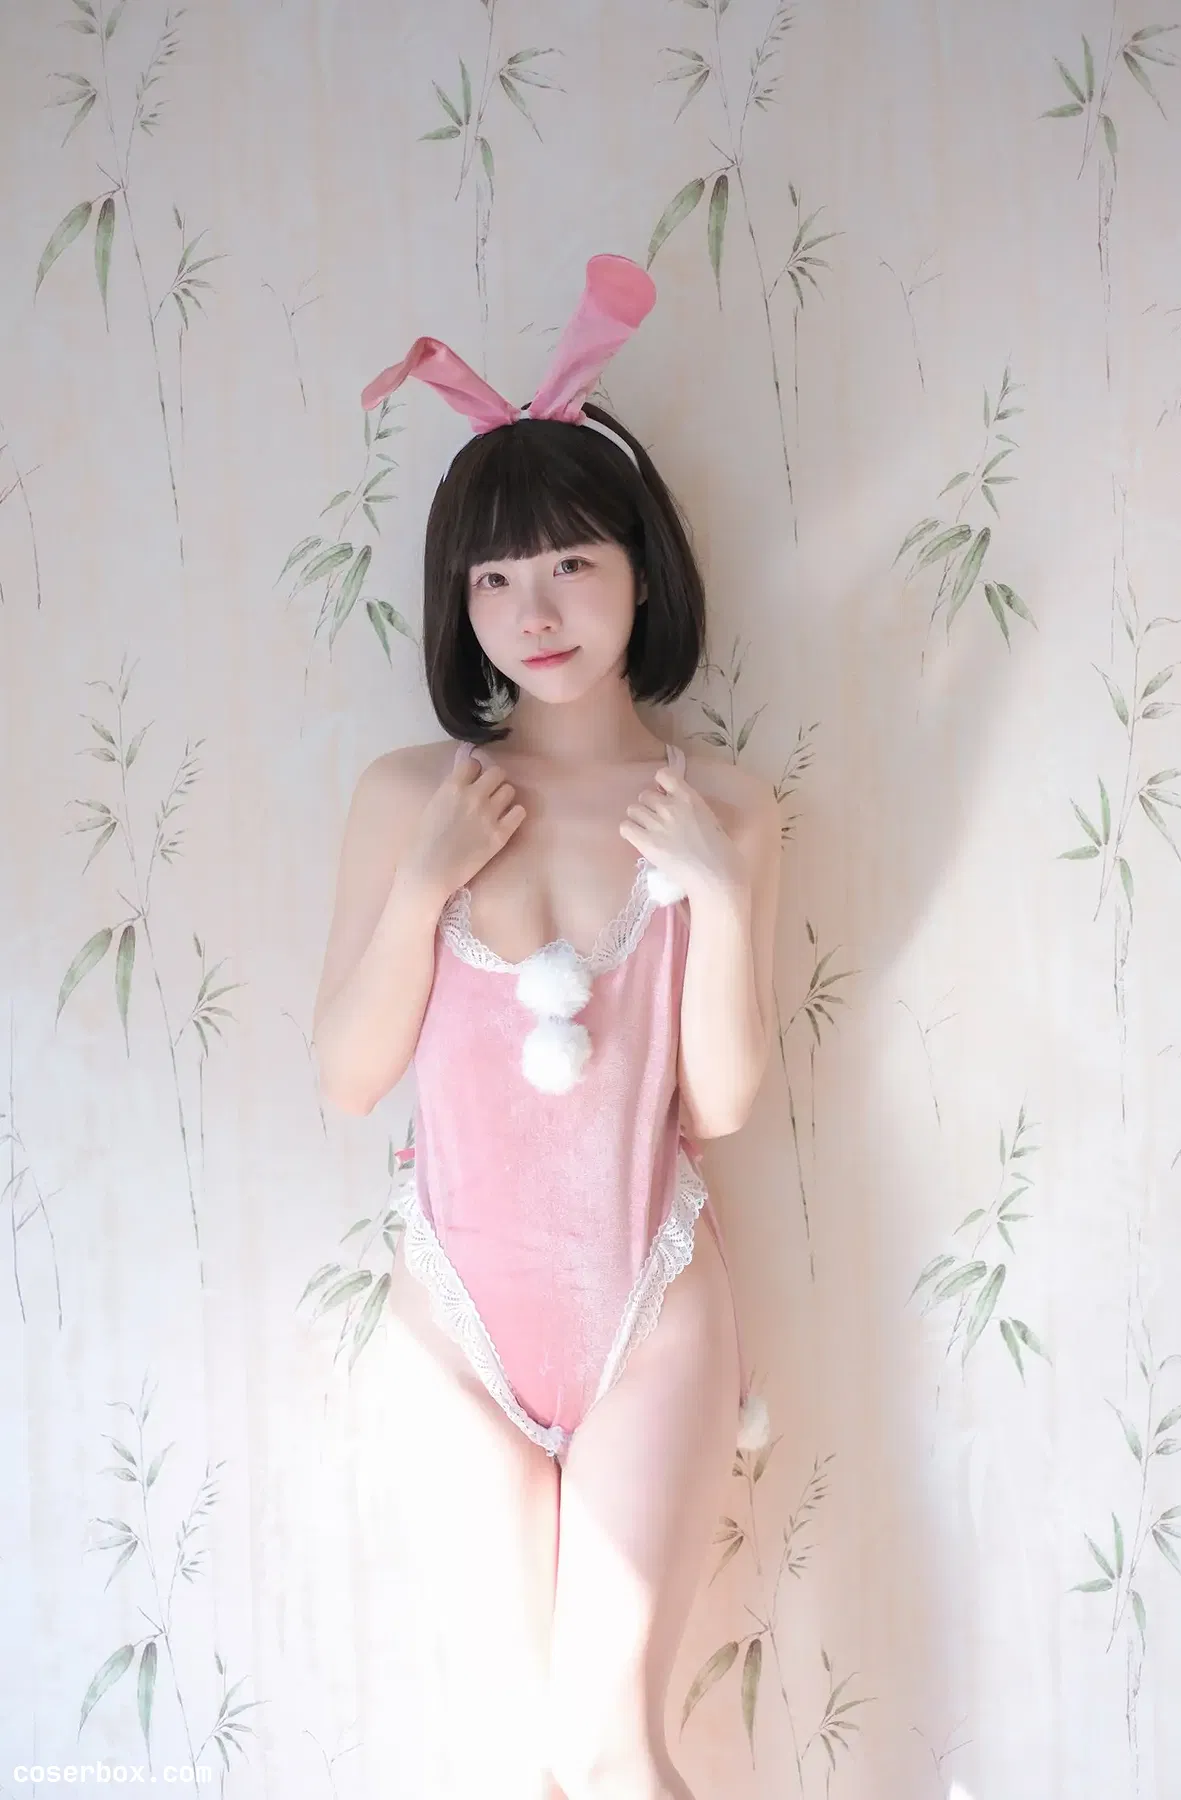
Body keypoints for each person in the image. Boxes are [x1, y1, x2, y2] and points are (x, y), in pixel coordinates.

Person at [312, 256, 781, 1800]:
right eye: (496, 580)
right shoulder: (413, 795)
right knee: (523, 1762)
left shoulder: (725, 808)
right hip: (455, 1319)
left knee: (614, 1745)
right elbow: (347, 1076)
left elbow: (720, 1101)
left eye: (572, 563)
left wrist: (718, 895)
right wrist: (422, 888)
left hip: (652, 1304)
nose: (536, 611)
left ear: (642, 570)